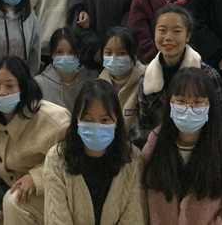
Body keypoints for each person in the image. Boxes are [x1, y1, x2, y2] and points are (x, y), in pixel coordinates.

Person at [141, 70, 222, 224]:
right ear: (169, 104)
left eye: (198, 102)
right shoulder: (154, 146)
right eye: (181, 101)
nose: (189, 108)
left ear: (210, 106)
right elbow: (140, 206)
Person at [0, 56, 70, 225]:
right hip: (18, 197)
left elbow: (71, 160)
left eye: (10, 86)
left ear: (23, 87)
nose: (2, 92)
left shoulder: (54, 121)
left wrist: (37, 177)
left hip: (58, 192)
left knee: (14, 200)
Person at [44, 81, 147, 224]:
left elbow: (133, 218)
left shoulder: (133, 159)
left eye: (105, 120)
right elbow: (57, 220)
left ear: (116, 121)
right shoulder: (56, 159)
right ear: (77, 119)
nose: (97, 127)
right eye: (88, 119)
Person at [133, 5, 222, 148]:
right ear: (154, 34)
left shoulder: (208, 76)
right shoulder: (146, 80)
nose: (168, 37)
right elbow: (143, 130)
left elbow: (221, 126)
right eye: (162, 30)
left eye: (176, 31)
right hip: (161, 151)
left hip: (204, 149)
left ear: (188, 35)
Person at [95, 26, 148, 132]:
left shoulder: (147, 82)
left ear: (134, 53)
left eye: (122, 53)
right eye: (108, 53)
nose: (114, 57)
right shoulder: (98, 84)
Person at [36, 28, 96, 110]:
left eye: (71, 52)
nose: (65, 57)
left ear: (79, 52)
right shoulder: (38, 84)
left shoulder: (90, 83)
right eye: (59, 52)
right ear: (52, 53)